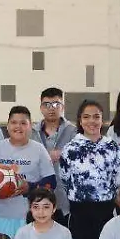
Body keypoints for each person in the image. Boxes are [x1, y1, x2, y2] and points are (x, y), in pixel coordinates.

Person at [0, 106, 56, 237]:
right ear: (8, 125)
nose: (18, 127)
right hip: (1, 216)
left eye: (23, 123)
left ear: (30, 126)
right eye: (14, 122)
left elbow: (51, 182)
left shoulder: (39, 149)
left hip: (30, 217)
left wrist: (29, 187)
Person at [59, 99, 120, 239]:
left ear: (102, 120)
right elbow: (65, 179)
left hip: (106, 212)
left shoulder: (112, 147)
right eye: (86, 117)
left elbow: (117, 177)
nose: (91, 121)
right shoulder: (70, 149)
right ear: (80, 121)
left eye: (96, 116)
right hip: (79, 214)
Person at [36, 87, 75, 225]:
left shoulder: (74, 132)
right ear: (41, 107)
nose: (51, 108)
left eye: (56, 104)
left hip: (65, 200)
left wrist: (63, 154)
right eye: (47, 104)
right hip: (37, 200)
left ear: (62, 107)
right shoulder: (32, 132)